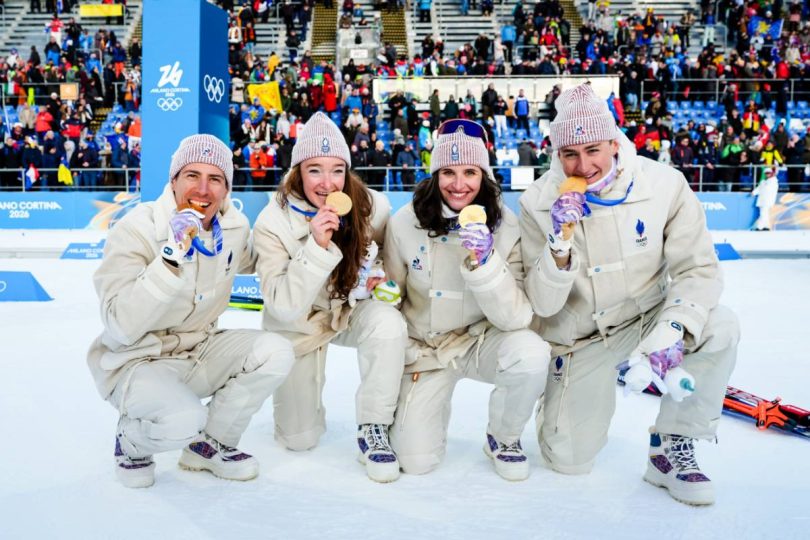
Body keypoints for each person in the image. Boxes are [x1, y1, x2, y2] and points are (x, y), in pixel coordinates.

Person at [519, 84, 739, 506]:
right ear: (556, 153)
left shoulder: (664, 184)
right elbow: (543, 305)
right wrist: (558, 245)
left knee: (720, 324)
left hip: (650, 316)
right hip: (583, 337)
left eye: (593, 150)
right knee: (567, 458)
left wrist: (675, 325)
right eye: (569, 154)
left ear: (614, 142)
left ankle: (671, 446)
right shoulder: (538, 201)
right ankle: (560, 398)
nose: (583, 165)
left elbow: (698, 269)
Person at [87, 135, 296, 488]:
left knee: (275, 352)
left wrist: (316, 240)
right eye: (192, 176)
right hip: (137, 361)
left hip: (199, 351)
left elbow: (264, 258)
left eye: (215, 179)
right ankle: (132, 441)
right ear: (173, 181)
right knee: (184, 420)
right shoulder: (136, 229)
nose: (202, 189)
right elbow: (120, 325)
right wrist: (170, 257)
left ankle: (209, 445)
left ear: (226, 189)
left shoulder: (234, 228)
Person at [383, 119, 550, 480]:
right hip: (428, 348)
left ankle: (503, 437)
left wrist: (486, 263)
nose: (459, 185)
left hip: (481, 341)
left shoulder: (507, 226)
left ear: (484, 175)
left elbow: (516, 318)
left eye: (470, 172)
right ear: (435, 175)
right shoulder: (404, 223)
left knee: (531, 353)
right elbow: (391, 296)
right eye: (448, 172)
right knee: (415, 461)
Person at [252, 112, 408, 483]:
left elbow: (388, 252)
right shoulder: (271, 222)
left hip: (350, 308)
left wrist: (379, 273)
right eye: (315, 170)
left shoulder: (372, 206)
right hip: (299, 321)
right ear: (297, 172)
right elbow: (282, 304)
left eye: (337, 170)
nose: (327, 183)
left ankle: (374, 425)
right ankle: (302, 413)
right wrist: (317, 246)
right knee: (298, 438)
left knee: (387, 322)